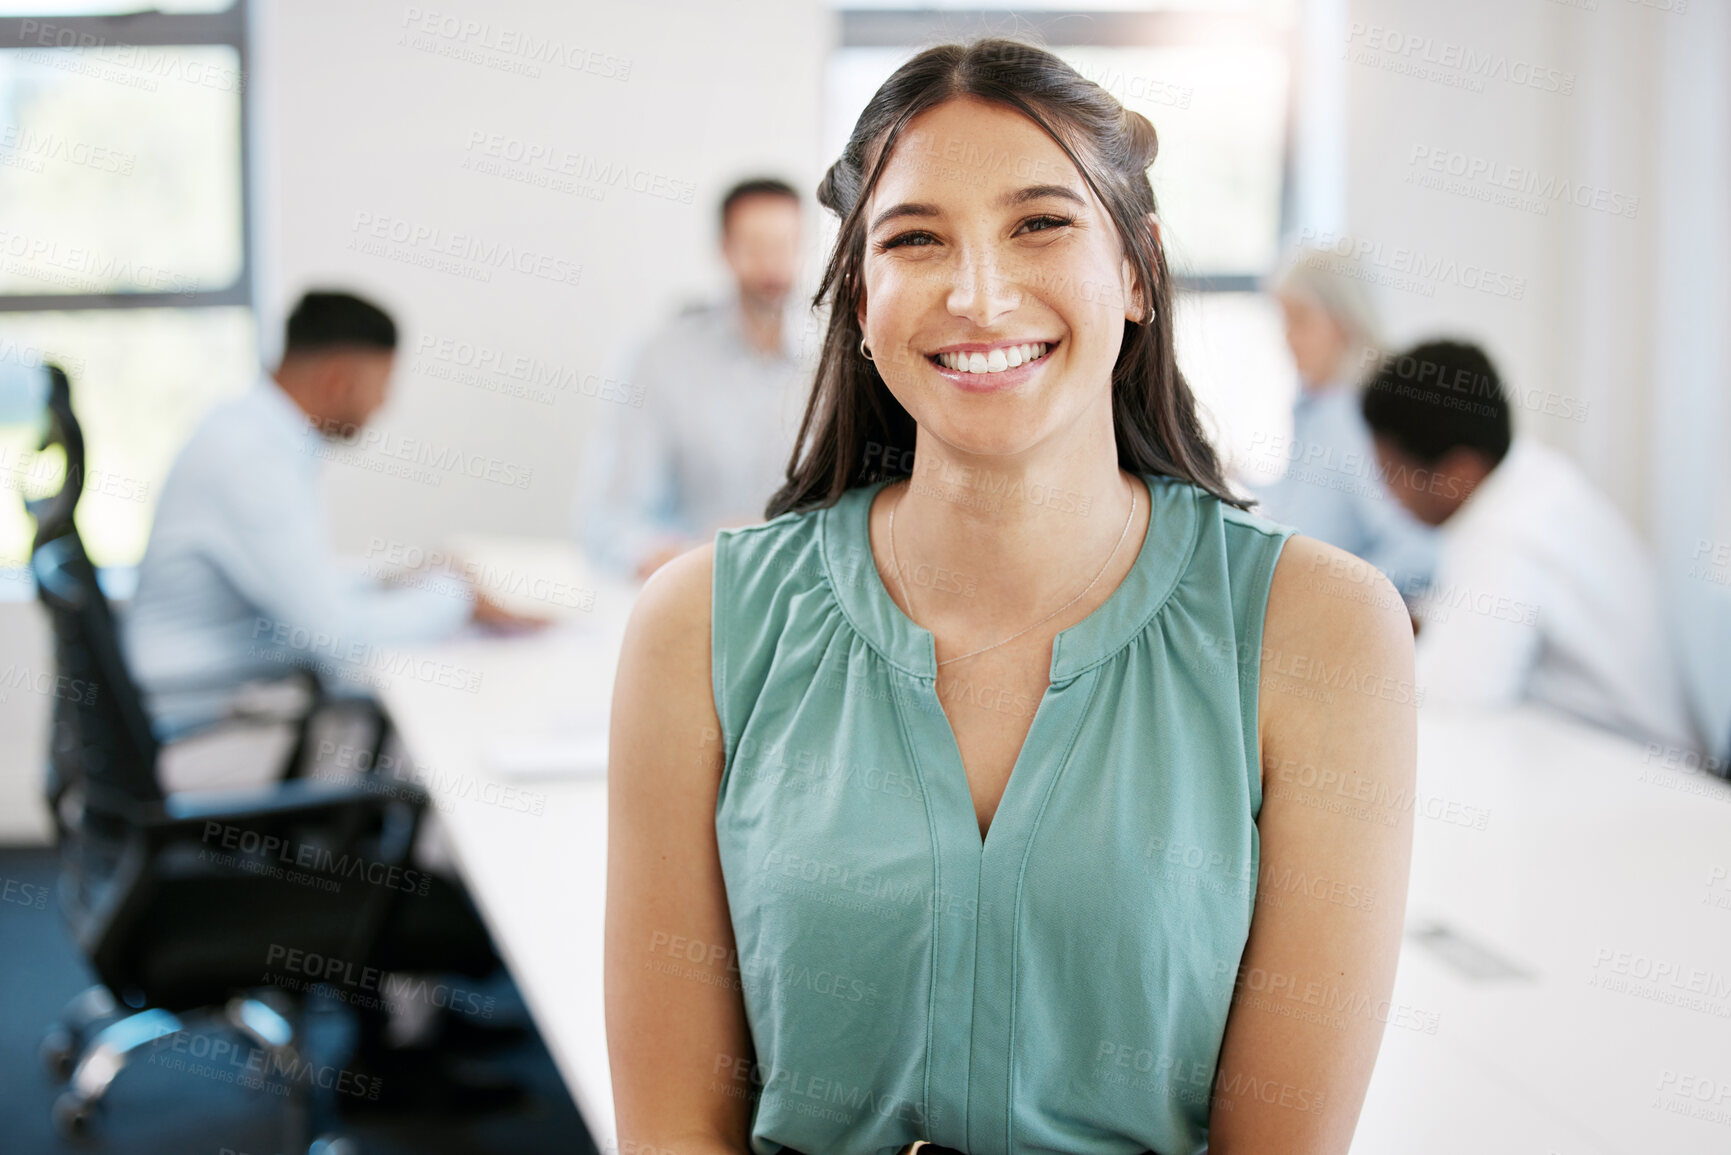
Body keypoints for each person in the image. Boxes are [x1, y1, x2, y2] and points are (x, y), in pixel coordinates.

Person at [606, 41, 1415, 1155]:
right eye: (914, 239)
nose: (978, 295)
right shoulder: (697, 625)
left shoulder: (1320, 630)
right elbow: (673, 1132)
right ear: (858, 298)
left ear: (1137, 271)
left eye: (1040, 224)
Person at [124, 290, 527, 746]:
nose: (381, 405)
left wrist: (392, 579)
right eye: (382, 385)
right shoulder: (252, 459)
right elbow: (338, 641)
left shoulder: (248, 432)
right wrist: (456, 597)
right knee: (417, 756)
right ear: (339, 379)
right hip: (198, 727)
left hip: (205, 701)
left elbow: (301, 588)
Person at [1361, 339, 1700, 752]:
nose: (1386, 491)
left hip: (1634, 759)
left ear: (1460, 471)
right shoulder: (1532, 478)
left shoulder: (1507, 531)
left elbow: (1456, 693)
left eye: (1391, 471)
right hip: (1602, 743)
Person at [576, 177, 809, 579]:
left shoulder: (844, 359)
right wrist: (681, 559)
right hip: (692, 593)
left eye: (785, 244)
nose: (772, 264)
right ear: (724, 250)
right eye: (755, 245)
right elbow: (610, 522)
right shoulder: (659, 359)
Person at [1252, 246, 1439, 600]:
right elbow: (1306, 513)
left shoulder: (1358, 416)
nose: (1287, 338)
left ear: (1344, 321)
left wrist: (1339, 604)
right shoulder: (1316, 409)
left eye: (1300, 320)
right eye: (1284, 320)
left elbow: (1416, 552)